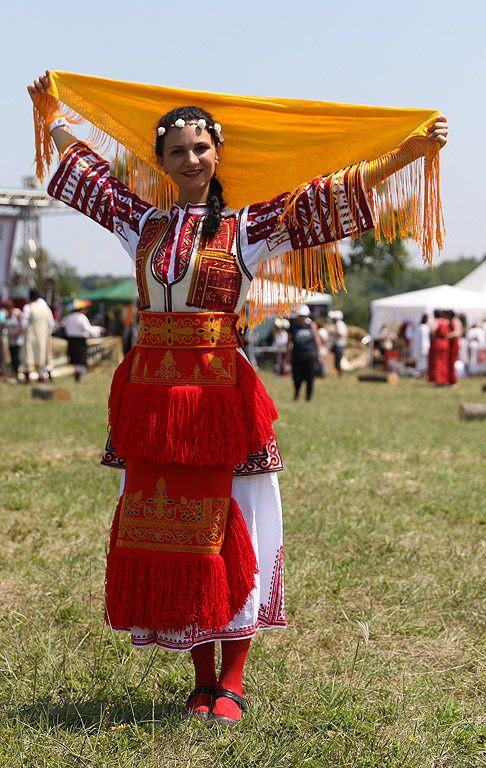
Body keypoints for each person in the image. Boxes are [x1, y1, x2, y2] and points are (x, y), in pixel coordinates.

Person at [28, 71, 448, 728]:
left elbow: (329, 196)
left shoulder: (250, 225)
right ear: (161, 163)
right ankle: (198, 678)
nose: (190, 160)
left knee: (232, 534)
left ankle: (233, 678)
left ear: (216, 154)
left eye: (201, 148)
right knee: (170, 540)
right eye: (176, 152)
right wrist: (51, 114)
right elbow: (88, 176)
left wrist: (406, 154)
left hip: (222, 401)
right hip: (153, 403)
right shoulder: (140, 221)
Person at [63, 300, 105, 382]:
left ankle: (77, 376)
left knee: (75, 359)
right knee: (81, 359)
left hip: (71, 340)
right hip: (80, 341)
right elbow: (88, 329)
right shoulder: (81, 317)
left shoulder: (69, 317)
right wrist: (98, 330)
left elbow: (67, 330)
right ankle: (79, 377)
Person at [288, 304, 322, 400]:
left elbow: (316, 340)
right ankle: (296, 393)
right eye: (301, 316)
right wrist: (287, 355)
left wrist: (319, 354)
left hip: (309, 354)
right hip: (297, 354)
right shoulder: (293, 326)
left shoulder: (311, 325)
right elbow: (289, 341)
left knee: (310, 377)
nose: (302, 318)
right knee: (297, 376)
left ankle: (308, 397)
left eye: (304, 316)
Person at [21, 288, 55, 382]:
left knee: (28, 355)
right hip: (43, 336)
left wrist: (24, 331)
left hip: (30, 336)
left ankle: (28, 377)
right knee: (42, 355)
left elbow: (23, 323)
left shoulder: (28, 307)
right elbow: (51, 323)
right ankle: (41, 376)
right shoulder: (45, 308)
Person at [3, 299, 24, 381]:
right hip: (11, 341)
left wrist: (15, 332)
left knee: (17, 358)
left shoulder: (17, 313)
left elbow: (23, 326)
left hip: (18, 340)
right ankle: (14, 374)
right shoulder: (6, 315)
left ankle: (18, 374)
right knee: (12, 357)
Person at [328, 310, 347, 377]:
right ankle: (340, 374)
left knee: (337, 362)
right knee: (337, 362)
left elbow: (341, 334)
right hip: (338, 345)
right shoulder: (339, 324)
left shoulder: (339, 324)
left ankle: (341, 374)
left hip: (339, 345)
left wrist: (332, 332)